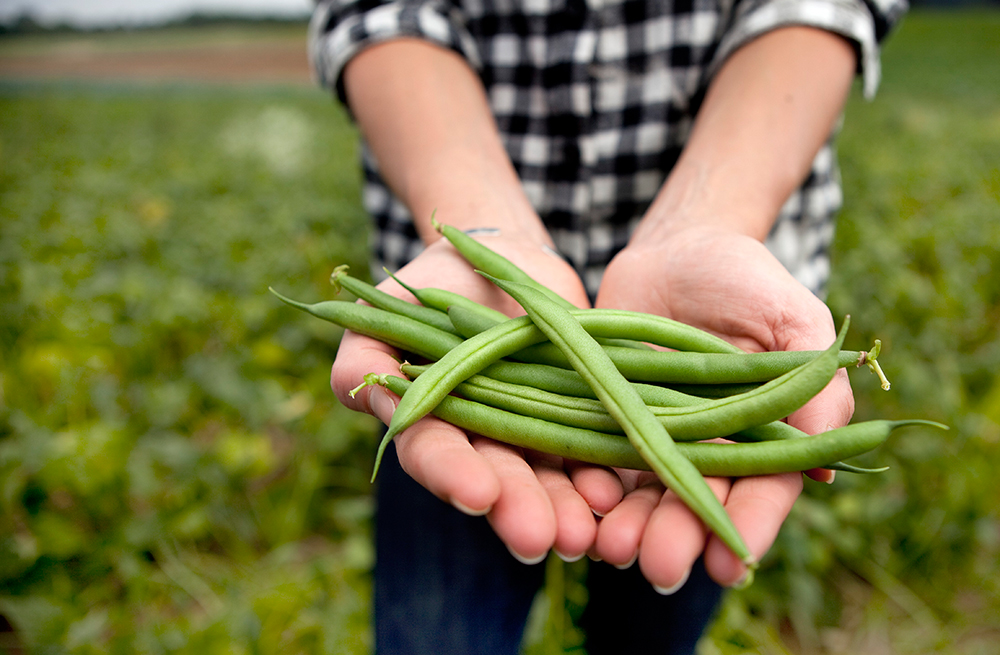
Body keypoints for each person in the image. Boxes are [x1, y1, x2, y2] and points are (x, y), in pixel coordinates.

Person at [308, 0, 905, 650]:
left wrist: (708, 218)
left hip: (726, 317)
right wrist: (475, 223)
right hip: (455, 329)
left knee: (651, 625)